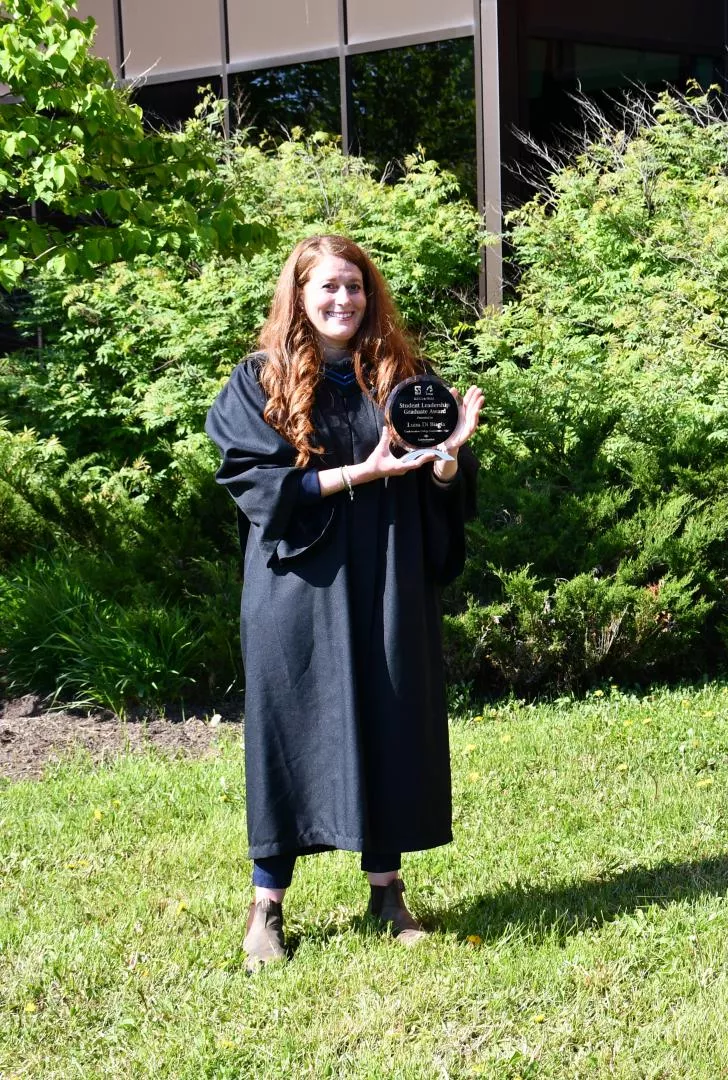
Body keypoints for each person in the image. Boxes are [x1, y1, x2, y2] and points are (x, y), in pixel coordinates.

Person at [206, 234, 483, 972]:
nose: (344, 300)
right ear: (298, 294)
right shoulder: (258, 382)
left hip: (388, 579)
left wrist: (451, 453)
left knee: (388, 715)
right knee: (289, 731)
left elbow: (441, 481)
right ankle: (267, 903)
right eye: (328, 287)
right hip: (298, 588)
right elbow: (258, 487)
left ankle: (386, 892)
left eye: (355, 287)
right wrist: (359, 474)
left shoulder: (400, 376)